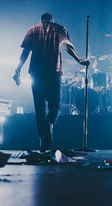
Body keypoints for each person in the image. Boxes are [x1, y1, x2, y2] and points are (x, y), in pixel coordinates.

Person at [14, 13, 89, 152]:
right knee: (55, 105)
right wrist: (79, 59)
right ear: (52, 20)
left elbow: (25, 51)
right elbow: (66, 45)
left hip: (36, 73)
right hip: (53, 71)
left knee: (39, 108)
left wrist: (18, 69)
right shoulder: (60, 28)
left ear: (40, 20)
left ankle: (42, 140)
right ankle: (49, 123)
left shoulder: (32, 30)